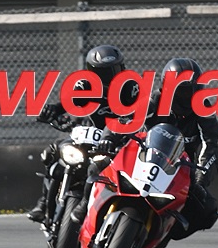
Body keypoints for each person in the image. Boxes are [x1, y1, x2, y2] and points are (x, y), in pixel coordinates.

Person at [73, 57, 218, 248]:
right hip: (140, 154)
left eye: (193, 90)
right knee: (98, 164)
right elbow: (124, 120)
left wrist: (200, 178)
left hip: (176, 168)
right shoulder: (153, 101)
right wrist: (108, 139)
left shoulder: (204, 111)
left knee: (207, 211)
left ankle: (161, 241)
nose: (188, 97)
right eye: (183, 91)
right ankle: (84, 206)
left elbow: (210, 146)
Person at [26, 44, 136, 223]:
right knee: (54, 151)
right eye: (102, 72)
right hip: (87, 136)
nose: (109, 76)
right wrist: (52, 110)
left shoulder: (131, 87)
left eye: (113, 70)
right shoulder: (84, 85)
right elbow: (67, 103)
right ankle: (44, 202)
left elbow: (141, 113)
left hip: (115, 141)